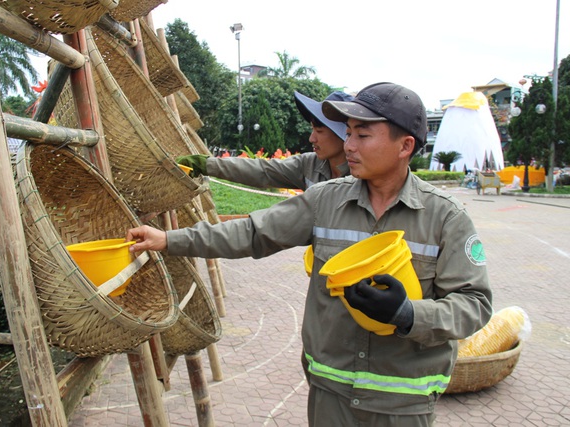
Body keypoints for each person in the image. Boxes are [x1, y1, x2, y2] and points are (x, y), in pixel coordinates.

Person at [127, 82, 493, 426]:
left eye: (362, 135)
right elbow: (254, 232)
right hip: (330, 394)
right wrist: (169, 240)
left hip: (403, 403)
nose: (349, 144)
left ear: (405, 146)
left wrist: (408, 313)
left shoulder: (446, 218)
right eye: (348, 133)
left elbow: (474, 304)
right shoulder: (326, 199)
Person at [176, 91, 353, 191]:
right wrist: (205, 165)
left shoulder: (364, 177)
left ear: (344, 133)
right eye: (312, 129)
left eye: (319, 131)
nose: (311, 138)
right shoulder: (309, 165)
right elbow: (262, 170)